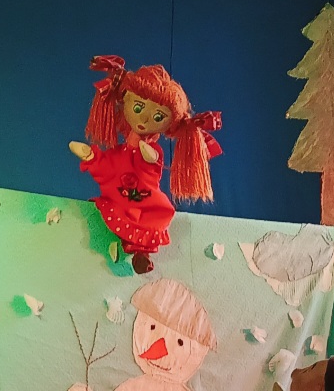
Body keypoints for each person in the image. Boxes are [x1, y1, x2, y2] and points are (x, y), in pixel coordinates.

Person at [69, 55, 222, 274]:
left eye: (158, 117)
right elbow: (110, 168)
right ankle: (122, 241)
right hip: (119, 193)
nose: (144, 120)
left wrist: (149, 157)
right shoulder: (121, 152)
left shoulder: (154, 151)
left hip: (143, 197)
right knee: (110, 181)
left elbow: (151, 171)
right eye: (138, 108)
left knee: (149, 216)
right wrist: (92, 157)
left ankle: (140, 252)